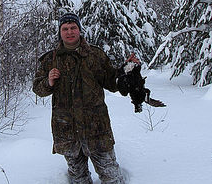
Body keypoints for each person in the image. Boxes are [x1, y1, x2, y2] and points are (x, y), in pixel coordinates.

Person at [33, 12, 139, 184]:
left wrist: (127, 69)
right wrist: (48, 81)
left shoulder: (95, 55)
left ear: (79, 30)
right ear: (60, 32)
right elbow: (38, 89)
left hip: (96, 128)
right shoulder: (50, 60)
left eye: (73, 27)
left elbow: (113, 82)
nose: (69, 32)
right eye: (65, 28)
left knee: (112, 177)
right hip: (67, 130)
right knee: (78, 179)